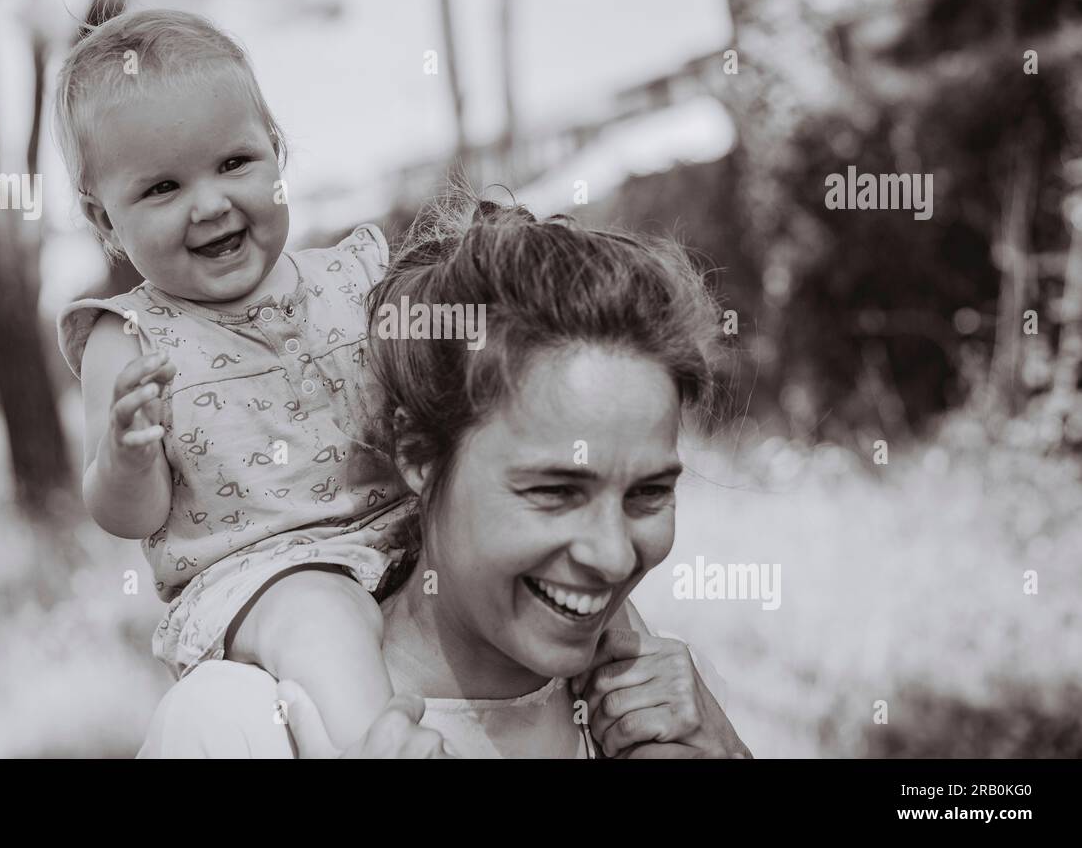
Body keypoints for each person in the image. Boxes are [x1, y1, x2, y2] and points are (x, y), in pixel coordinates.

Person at [138, 195, 752, 758]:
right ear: (419, 455)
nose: (614, 557)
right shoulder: (241, 726)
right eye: (555, 492)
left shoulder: (673, 715)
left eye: (648, 493)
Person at [53, 9, 423, 750]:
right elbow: (128, 514)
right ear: (104, 220)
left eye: (234, 164)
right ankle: (381, 746)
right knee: (324, 614)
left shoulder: (358, 277)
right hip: (266, 574)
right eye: (161, 188)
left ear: (278, 153)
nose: (210, 203)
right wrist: (126, 456)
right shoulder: (126, 340)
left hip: (414, 529)